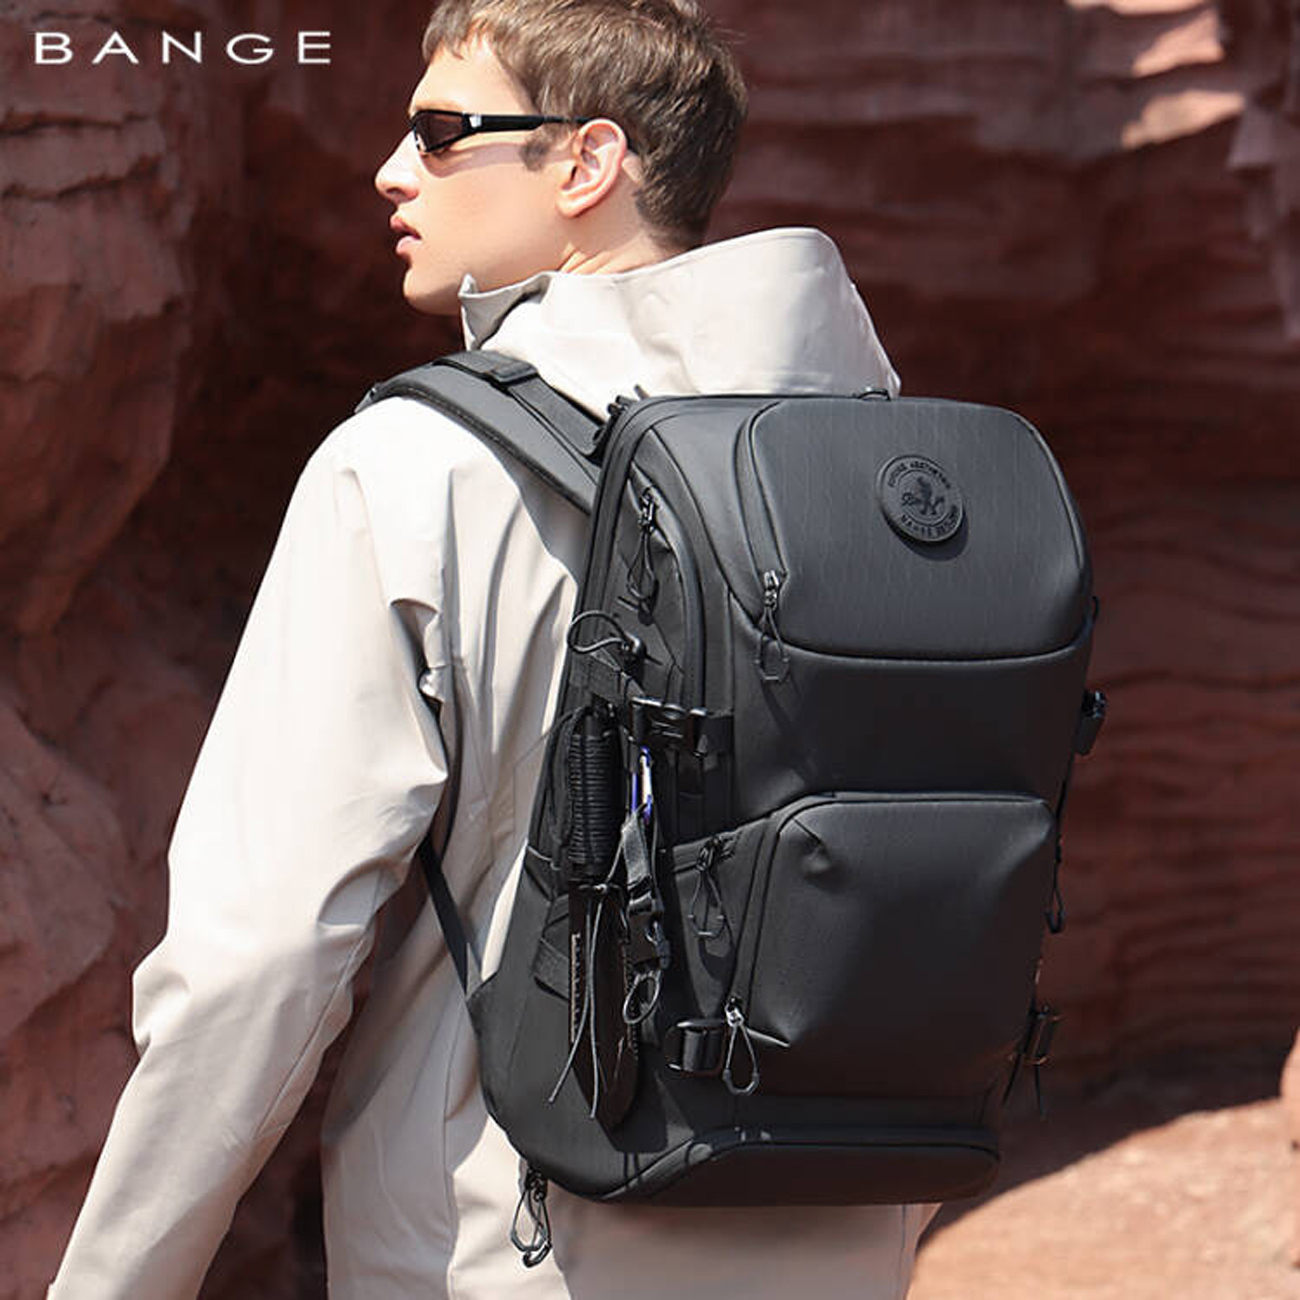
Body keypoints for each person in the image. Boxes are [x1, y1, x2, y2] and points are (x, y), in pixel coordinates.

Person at [49, 2, 934, 1296]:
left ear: (586, 162)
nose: (390, 171)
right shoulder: (890, 468)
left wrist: (117, 1279)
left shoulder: (414, 467)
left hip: (508, 1240)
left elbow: (260, 957)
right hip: (840, 1225)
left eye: (438, 131)